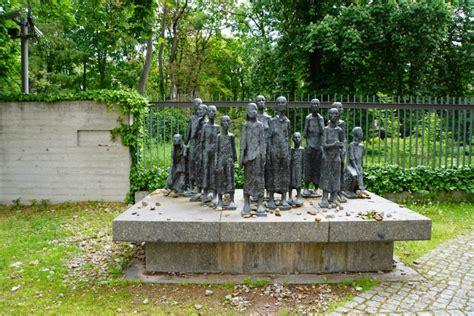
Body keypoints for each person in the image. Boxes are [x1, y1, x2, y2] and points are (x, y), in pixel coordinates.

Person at [240, 103, 266, 217]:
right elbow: (242, 143)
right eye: (251, 109)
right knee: (248, 179)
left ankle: (260, 202)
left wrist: (263, 155)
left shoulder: (260, 125)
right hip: (248, 157)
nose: (254, 111)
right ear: (247, 112)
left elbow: (262, 142)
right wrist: (241, 158)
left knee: (259, 179)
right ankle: (246, 202)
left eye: (255, 109)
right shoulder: (245, 125)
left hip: (258, 157)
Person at [268, 96, 291, 210]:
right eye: (279, 102)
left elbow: (288, 138)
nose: (281, 104)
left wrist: (288, 153)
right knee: (273, 174)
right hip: (274, 152)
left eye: (283, 102)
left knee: (284, 175)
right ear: (276, 105)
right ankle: (271, 198)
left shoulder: (287, 122)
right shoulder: (272, 121)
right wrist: (269, 153)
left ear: (286, 105)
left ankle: (283, 198)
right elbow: (269, 138)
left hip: (284, 152)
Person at [319, 108, 344, 208]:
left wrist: (340, 146)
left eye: (336, 114)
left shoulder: (340, 130)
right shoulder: (326, 129)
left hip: (336, 156)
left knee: (336, 177)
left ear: (338, 116)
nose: (334, 115)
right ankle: (325, 197)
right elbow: (324, 144)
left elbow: (342, 143)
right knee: (326, 176)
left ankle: (334, 197)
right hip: (327, 157)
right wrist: (334, 144)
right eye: (332, 114)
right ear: (328, 115)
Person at [302, 98, 324, 198]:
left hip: (318, 146)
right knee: (308, 167)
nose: (315, 106)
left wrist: (320, 121)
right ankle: (306, 187)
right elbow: (305, 133)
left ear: (319, 106)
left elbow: (323, 132)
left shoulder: (321, 118)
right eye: (313, 104)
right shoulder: (308, 118)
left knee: (317, 168)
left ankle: (316, 188)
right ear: (310, 106)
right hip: (309, 146)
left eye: (317, 104)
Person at [215, 115, 237, 210]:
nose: (226, 124)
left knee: (230, 179)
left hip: (229, 160)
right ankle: (220, 199)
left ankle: (232, 200)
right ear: (221, 123)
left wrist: (234, 159)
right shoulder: (218, 137)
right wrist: (216, 163)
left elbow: (234, 148)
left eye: (228, 121)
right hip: (221, 160)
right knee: (220, 179)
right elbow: (216, 150)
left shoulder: (231, 136)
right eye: (224, 121)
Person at [188, 103, 208, 201]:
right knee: (196, 167)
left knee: (202, 168)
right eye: (198, 109)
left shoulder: (206, 122)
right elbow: (192, 134)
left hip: (203, 149)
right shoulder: (197, 120)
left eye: (200, 110)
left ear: (205, 111)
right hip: (197, 147)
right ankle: (198, 187)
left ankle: (203, 188)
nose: (198, 111)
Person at [342, 127, 369, 198]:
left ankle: (359, 189)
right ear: (358, 134)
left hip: (358, 166)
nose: (362, 133)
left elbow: (361, 159)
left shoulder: (361, 146)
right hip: (351, 166)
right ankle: (349, 191)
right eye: (361, 132)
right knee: (354, 174)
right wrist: (357, 169)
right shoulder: (351, 145)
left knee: (360, 173)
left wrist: (360, 168)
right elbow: (352, 159)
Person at [201, 105, 220, 205]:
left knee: (214, 172)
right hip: (206, 153)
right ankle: (205, 193)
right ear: (207, 113)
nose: (212, 113)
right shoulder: (204, 127)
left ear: (216, 113)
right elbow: (202, 142)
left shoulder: (217, 127)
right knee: (205, 172)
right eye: (210, 111)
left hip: (215, 153)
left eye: (214, 111)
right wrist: (202, 154)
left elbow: (219, 141)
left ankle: (215, 193)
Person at [255, 95, 272, 197]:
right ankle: (256, 192)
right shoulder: (252, 117)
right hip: (256, 148)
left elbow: (271, 134)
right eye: (259, 101)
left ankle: (267, 192)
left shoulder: (269, 118)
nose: (261, 102)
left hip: (267, 147)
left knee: (268, 171)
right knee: (256, 170)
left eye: (263, 100)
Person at [333, 101, 347, 203]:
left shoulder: (342, 123)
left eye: (341, 108)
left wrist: (344, 149)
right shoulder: (330, 122)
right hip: (331, 151)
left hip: (339, 151)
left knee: (340, 172)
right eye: (339, 107)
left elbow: (344, 139)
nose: (341, 109)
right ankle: (332, 192)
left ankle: (339, 192)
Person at [289, 132, 304, 207]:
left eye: (298, 137)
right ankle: (289, 197)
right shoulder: (291, 149)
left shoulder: (302, 150)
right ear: (292, 139)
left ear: (301, 139)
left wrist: (303, 172)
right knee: (290, 183)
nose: (297, 139)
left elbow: (304, 162)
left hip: (299, 169)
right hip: (291, 169)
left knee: (298, 184)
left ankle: (298, 197)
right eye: (295, 137)